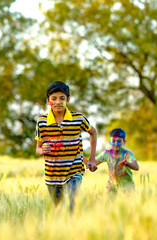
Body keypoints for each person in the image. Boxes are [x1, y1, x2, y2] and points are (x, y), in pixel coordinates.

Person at [35, 81, 97, 210]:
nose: (58, 102)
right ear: (48, 101)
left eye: (62, 98)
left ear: (68, 100)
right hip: (52, 176)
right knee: (59, 210)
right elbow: (38, 149)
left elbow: (93, 132)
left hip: (74, 171)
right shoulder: (41, 122)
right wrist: (42, 150)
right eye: (54, 98)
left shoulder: (78, 118)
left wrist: (91, 158)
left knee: (72, 206)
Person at [95, 128, 139, 193]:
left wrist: (126, 163)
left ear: (124, 142)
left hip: (127, 187)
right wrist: (80, 154)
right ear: (109, 141)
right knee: (109, 202)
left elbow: (136, 167)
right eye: (113, 141)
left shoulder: (127, 154)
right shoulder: (106, 153)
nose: (116, 143)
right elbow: (92, 163)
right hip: (111, 186)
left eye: (119, 141)